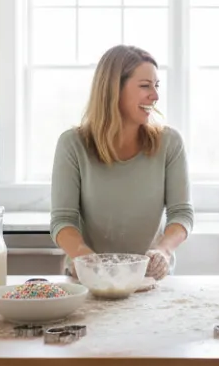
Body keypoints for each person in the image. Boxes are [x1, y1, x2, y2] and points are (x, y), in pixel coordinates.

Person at [50, 45, 193, 280]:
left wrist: (163, 251)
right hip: (88, 279)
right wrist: (86, 259)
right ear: (113, 89)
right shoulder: (72, 144)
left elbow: (182, 213)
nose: (155, 96)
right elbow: (62, 220)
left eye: (156, 86)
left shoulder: (170, 143)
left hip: (150, 278)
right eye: (145, 86)